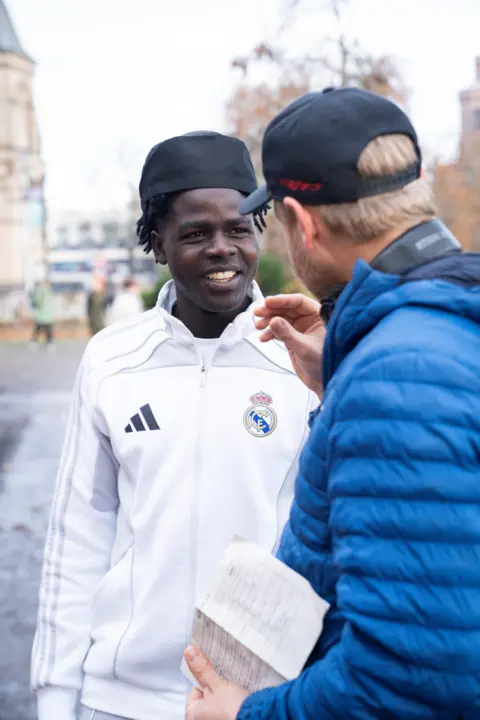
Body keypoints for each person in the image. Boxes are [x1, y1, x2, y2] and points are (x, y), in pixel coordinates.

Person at [184, 89, 480, 719]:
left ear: (305, 223)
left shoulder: (400, 374)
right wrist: (337, 381)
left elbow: (409, 680)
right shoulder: (444, 324)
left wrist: (242, 715)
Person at [31, 130, 315, 720]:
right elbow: (78, 537)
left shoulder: (301, 357)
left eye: (238, 228)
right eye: (195, 233)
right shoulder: (113, 361)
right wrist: (56, 698)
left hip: (264, 700)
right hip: (121, 700)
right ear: (156, 244)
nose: (222, 248)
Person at [29, 279, 55, 351]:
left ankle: (49, 342)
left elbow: (51, 299)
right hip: (41, 315)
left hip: (48, 315)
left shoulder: (49, 290)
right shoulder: (39, 290)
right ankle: (33, 341)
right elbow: (36, 301)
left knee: (48, 330)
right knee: (38, 328)